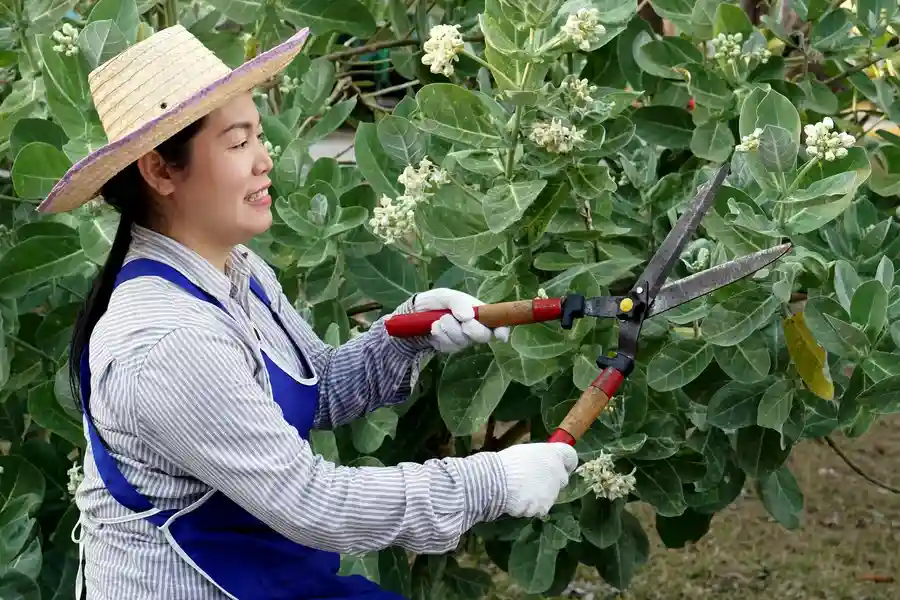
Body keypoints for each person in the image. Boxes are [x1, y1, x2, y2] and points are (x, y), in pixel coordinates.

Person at [41, 23, 580, 600]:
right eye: (238, 143)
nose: (264, 159)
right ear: (159, 171)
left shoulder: (235, 268)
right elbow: (311, 502)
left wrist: (409, 331)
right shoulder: (167, 340)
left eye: (258, 135)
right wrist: (488, 481)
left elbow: (316, 387)